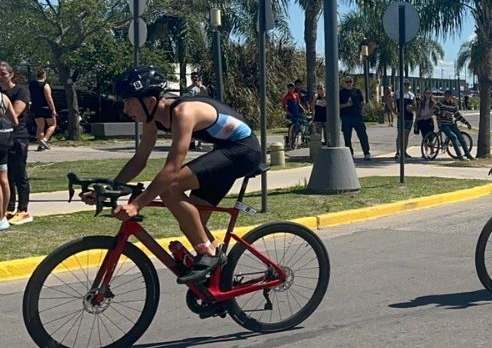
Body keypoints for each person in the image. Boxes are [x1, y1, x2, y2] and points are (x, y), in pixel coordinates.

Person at [93, 65, 261, 284]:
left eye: (128, 102)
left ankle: (209, 254)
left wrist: (136, 205)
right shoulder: (152, 119)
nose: (125, 109)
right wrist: (110, 190)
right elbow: (139, 160)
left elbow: (172, 169)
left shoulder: (184, 113)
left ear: (150, 101)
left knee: (171, 188)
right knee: (192, 223)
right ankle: (221, 283)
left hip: (243, 151)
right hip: (223, 151)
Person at [0, 62, 33, 225]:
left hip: (18, 136)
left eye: (3, 73)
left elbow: (15, 112)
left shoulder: (20, 90)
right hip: (2, 138)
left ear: (11, 74)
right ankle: (9, 207)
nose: (0, 77)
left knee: (20, 174)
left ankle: (24, 210)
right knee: (7, 175)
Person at [0, 83, 19, 231]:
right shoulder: (4, 98)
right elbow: (15, 121)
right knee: (4, 180)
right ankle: (3, 216)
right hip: (4, 142)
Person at [435, 89, 473, 160]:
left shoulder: (453, 105)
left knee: (461, 138)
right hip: (443, 124)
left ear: (451, 96)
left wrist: (466, 123)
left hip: (452, 124)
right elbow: (435, 111)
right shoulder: (440, 103)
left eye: (449, 96)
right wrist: (445, 114)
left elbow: (458, 115)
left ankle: (468, 154)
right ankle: (460, 156)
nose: (447, 97)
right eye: (446, 96)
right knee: (453, 137)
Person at [339, 76, 371, 160]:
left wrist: (362, 110)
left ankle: (366, 153)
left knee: (363, 135)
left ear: (352, 82)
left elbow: (362, 102)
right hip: (346, 117)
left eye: (350, 81)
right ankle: (350, 154)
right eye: (347, 81)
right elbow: (338, 106)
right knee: (347, 136)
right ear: (344, 82)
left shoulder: (357, 91)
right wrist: (346, 105)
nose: (348, 83)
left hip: (357, 117)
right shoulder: (341, 92)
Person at [30, 69, 58, 151]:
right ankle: (45, 139)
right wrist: (53, 109)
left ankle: (40, 145)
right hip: (45, 107)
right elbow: (49, 98)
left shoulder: (32, 85)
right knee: (52, 125)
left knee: (40, 127)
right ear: (45, 75)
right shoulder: (45, 85)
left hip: (36, 107)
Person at [395, 82, 415, 160]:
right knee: (400, 134)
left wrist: (412, 108)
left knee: (406, 136)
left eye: (407, 84)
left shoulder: (411, 95)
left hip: (409, 117)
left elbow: (415, 105)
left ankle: (404, 151)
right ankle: (398, 152)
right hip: (401, 117)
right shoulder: (398, 93)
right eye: (405, 84)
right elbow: (390, 101)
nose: (406, 86)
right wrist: (394, 111)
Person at [283, 82, 305, 150]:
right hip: (291, 114)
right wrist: (288, 113)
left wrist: (303, 109)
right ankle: (289, 141)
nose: (291, 89)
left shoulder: (296, 95)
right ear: (288, 89)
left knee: (297, 128)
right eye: (289, 88)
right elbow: (285, 107)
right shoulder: (286, 97)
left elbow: (298, 103)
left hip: (297, 113)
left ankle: (296, 140)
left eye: (292, 87)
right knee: (291, 128)